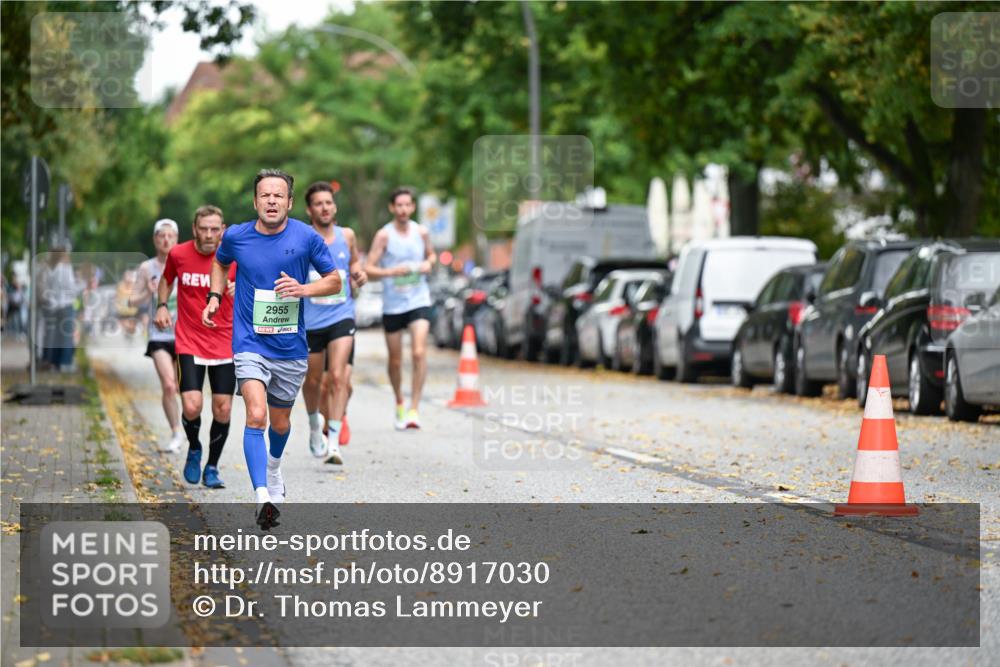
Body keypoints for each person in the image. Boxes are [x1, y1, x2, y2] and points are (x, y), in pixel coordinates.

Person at [203, 169, 340, 529]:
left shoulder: (306, 237)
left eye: (278, 195)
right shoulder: (237, 237)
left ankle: (275, 468)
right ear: (255, 202)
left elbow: (335, 280)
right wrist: (216, 296)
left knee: (280, 423)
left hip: (291, 348)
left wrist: (303, 289)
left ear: (290, 203)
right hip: (250, 343)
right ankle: (263, 496)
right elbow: (220, 262)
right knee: (256, 415)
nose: (272, 201)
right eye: (265, 195)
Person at [156, 205, 237, 489]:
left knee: (223, 408)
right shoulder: (178, 254)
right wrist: (162, 305)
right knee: (192, 406)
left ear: (223, 230)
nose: (209, 234)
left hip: (225, 341)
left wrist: (240, 289)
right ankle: (193, 447)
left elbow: (255, 285)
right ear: (194, 229)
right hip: (189, 339)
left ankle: (212, 466)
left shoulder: (234, 257)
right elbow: (166, 282)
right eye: (204, 228)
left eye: (215, 229)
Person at [301, 182, 367, 463]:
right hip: (311, 320)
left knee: (339, 377)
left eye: (328, 202)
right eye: (318, 203)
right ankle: (316, 424)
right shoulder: (302, 238)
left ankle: (334, 441)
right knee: (314, 380)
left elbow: (353, 265)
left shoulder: (347, 236)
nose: (324, 208)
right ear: (309, 209)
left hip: (341, 315)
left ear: (335, 207)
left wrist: (358, 275)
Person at [364, 187, 436, 430]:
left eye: (408, 205)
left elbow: (432, 256)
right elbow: (369, 268)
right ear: (392, 208)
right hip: (393, 304)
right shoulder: (384, 236)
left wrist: (428, 264)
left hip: (418, 299)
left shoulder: (421, 232)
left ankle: (415, 409)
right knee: (395, 361)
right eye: (399, 205)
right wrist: (391, 272)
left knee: (418, 352)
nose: (404, 209)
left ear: (413, 207)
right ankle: (399, 402)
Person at [131, 219, 184, 453]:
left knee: (185, 388)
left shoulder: (184, 263)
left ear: (176, 239)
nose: (166, 240)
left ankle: (189, 427)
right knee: (169, 386)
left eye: (170, 236)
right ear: (155, 239)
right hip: (159, 335)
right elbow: (131, 300)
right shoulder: (147, 268)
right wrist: (148, 293)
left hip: (185, 334)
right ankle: (175, 432)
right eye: (161, 236)